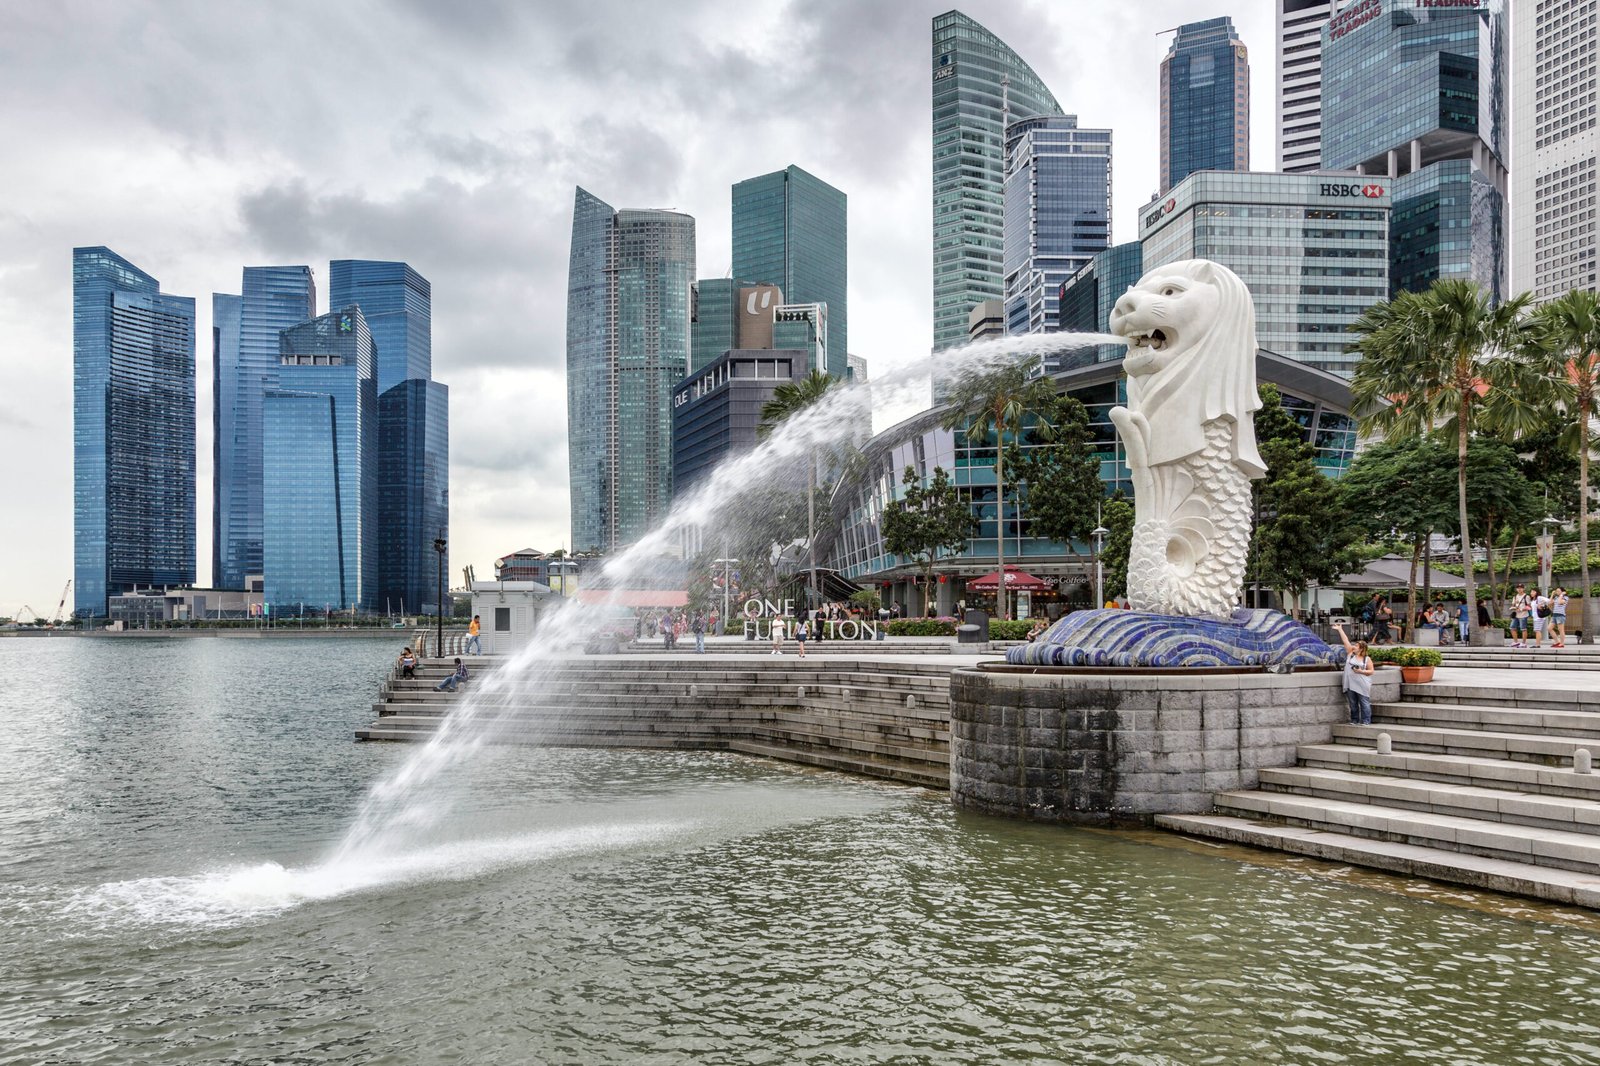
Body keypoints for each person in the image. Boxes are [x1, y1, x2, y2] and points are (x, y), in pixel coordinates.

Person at [1332, 623, 1375, 725]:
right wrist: (1340, 630)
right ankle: (1354, 720)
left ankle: (1366, 721)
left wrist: (1361, 671)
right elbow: (1345, 641)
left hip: (1362, 683)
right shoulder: (1351, 654)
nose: (1354, 646)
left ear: (1361, 649)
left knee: (1364, 703)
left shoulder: (1366, 659)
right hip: (1350, 683)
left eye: (1356, 646)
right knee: (1353, 703)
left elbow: (1371, 671)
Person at [1510, 584, 1532, 648]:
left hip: (1523, 615)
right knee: (1512, 628)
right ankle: (1516, 642)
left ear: (1523, 589)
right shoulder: (1515, 596)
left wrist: (1522, 609)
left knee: (1523, 629)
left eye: (1521, 588)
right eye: (1518, 588)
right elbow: (1513, 605)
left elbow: (1529, 606)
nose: (1519, 589)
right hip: (1516, 615)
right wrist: (1513, 608)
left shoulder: (1526, 596)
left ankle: (1524, 643)